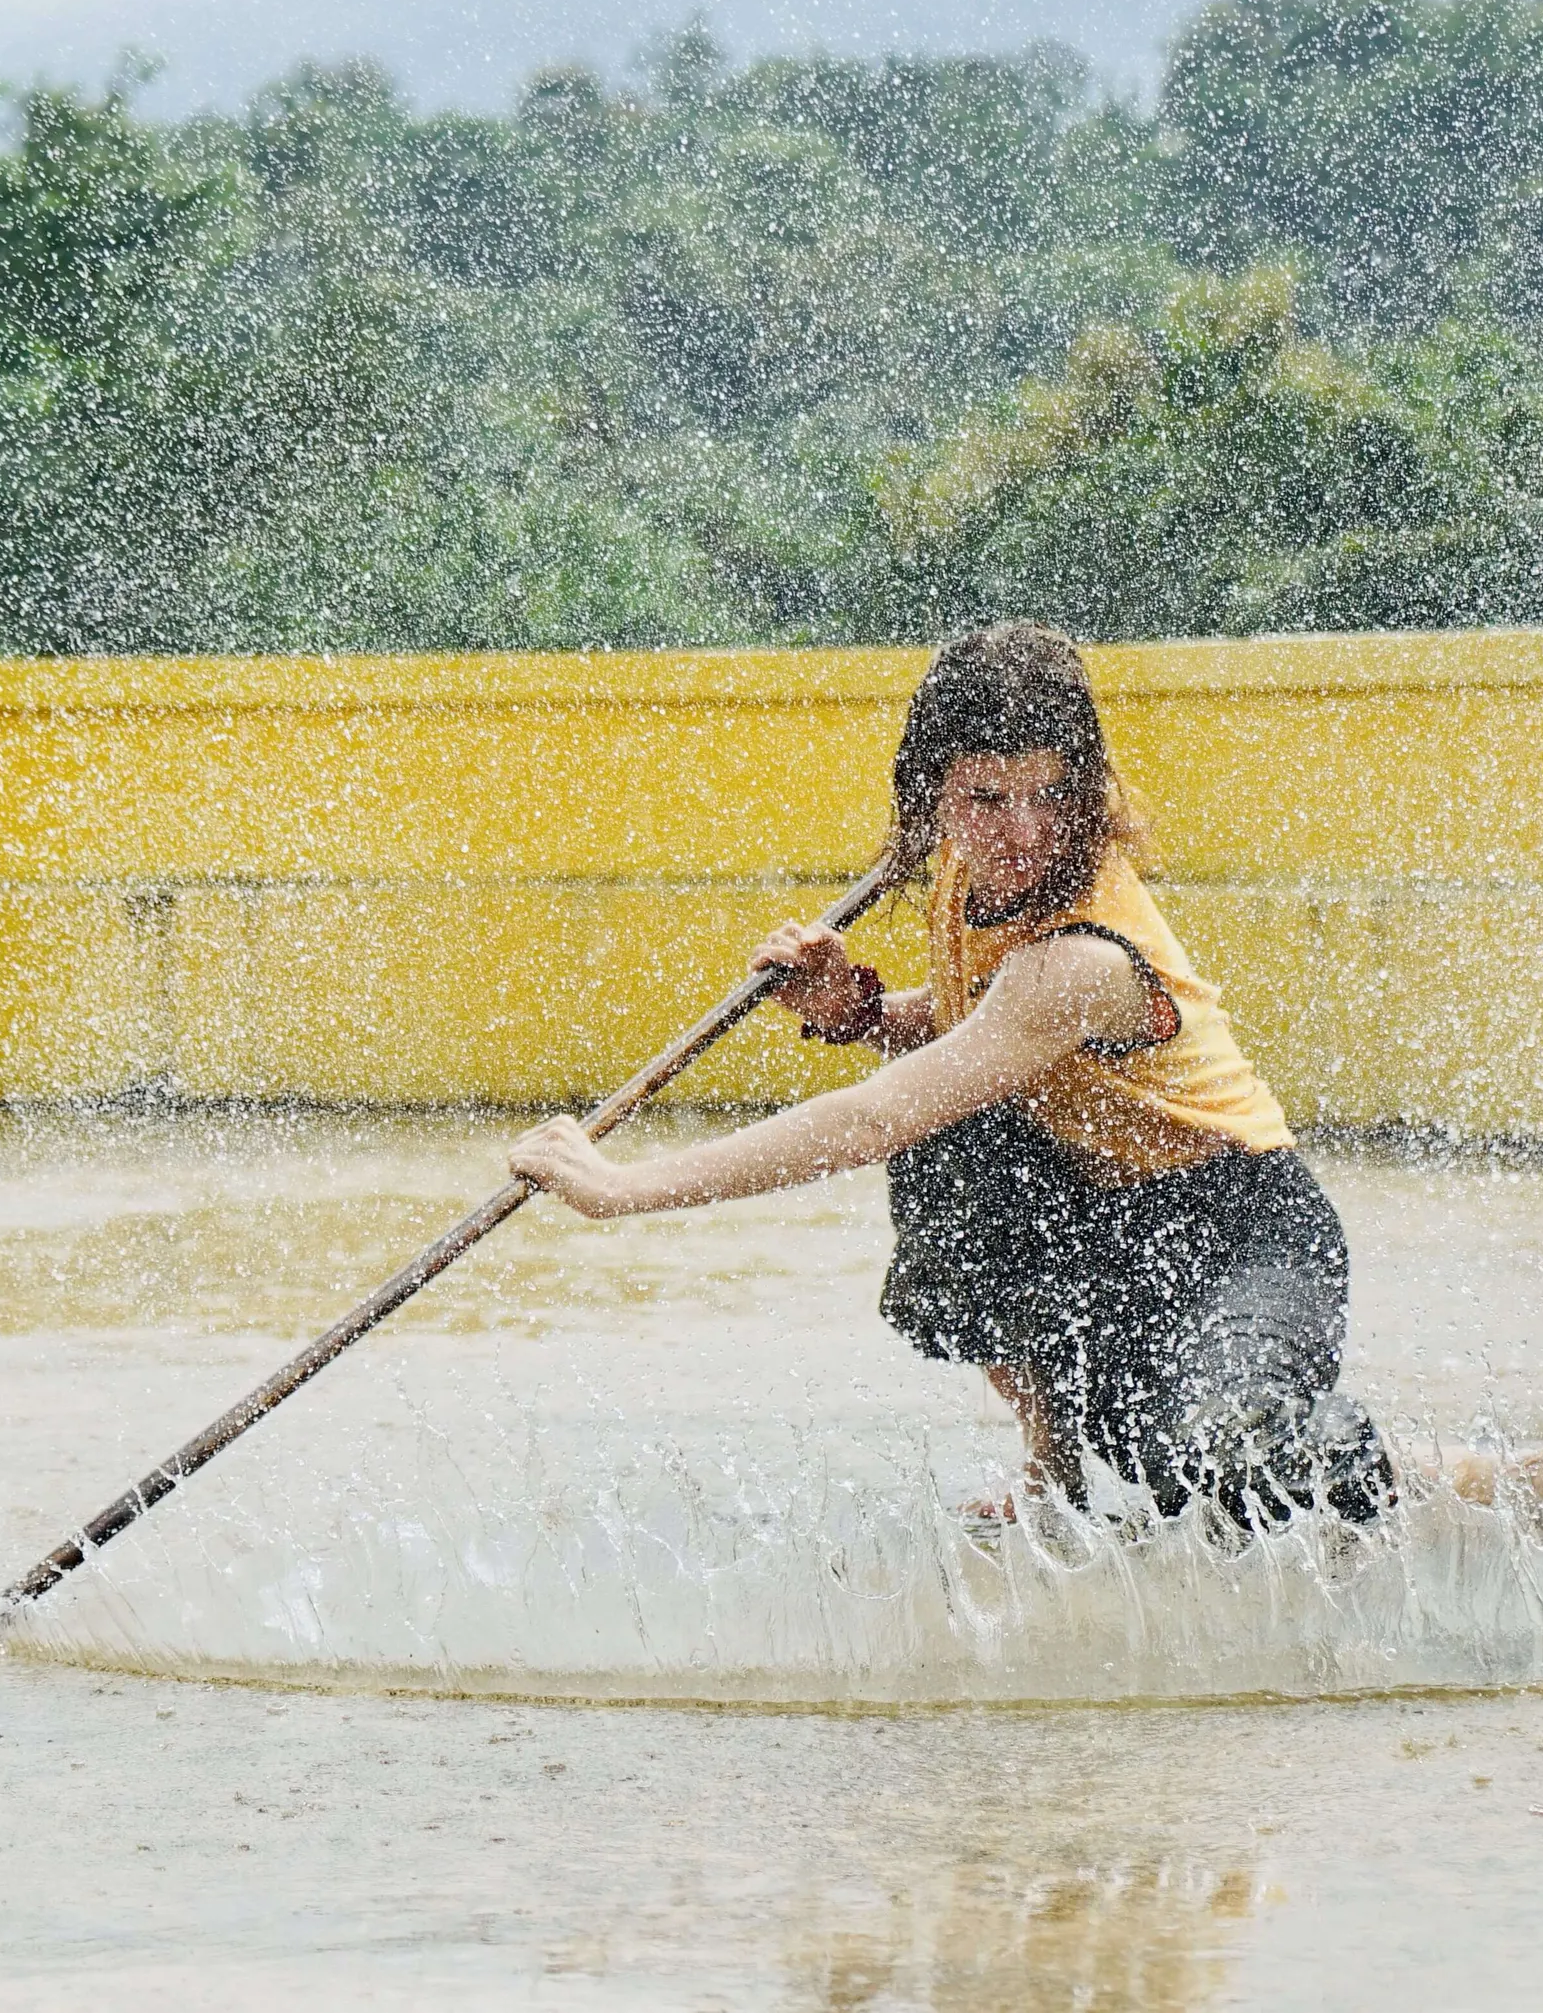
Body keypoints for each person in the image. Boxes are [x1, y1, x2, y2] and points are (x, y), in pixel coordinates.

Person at [510, 622, 1395, 1534]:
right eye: (987, 797)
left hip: (1242, 1230)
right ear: (932, 791)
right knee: (964, 1140)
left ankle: (1470, 1486)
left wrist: (623, 1187)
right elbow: (968, 1027)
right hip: (1110, 1223)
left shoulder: (1080, 959)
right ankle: (1051, 1478)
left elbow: (873, 1120)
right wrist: (856, 1012)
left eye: (1051, 795)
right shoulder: (965, 873)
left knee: (1222, 1457)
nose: (1024, 832)